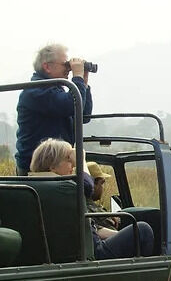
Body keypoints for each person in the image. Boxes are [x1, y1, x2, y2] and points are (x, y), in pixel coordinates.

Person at [29, 139, 152, 258]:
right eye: (68, 159)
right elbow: (88, 186)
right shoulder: (63, 188)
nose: (73, 165)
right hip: (91, 252)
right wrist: (80, 160)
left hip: (57, 252)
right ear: (52, 166)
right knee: (143, 230)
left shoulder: (29, 186)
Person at [14, 44, 94, 176]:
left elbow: (84, 116)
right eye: (65, 64)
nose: (68, 69)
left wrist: (83, 84)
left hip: (55, 165)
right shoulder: (36, 91)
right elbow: (70, 106)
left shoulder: (55, 90)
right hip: (37, 169)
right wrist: (77, 78)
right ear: (47, 66)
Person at [86, 162, 120, 239]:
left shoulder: (78, 203)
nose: (102, 188)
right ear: (92, 184)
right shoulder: (93, 210)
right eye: (101, 183)